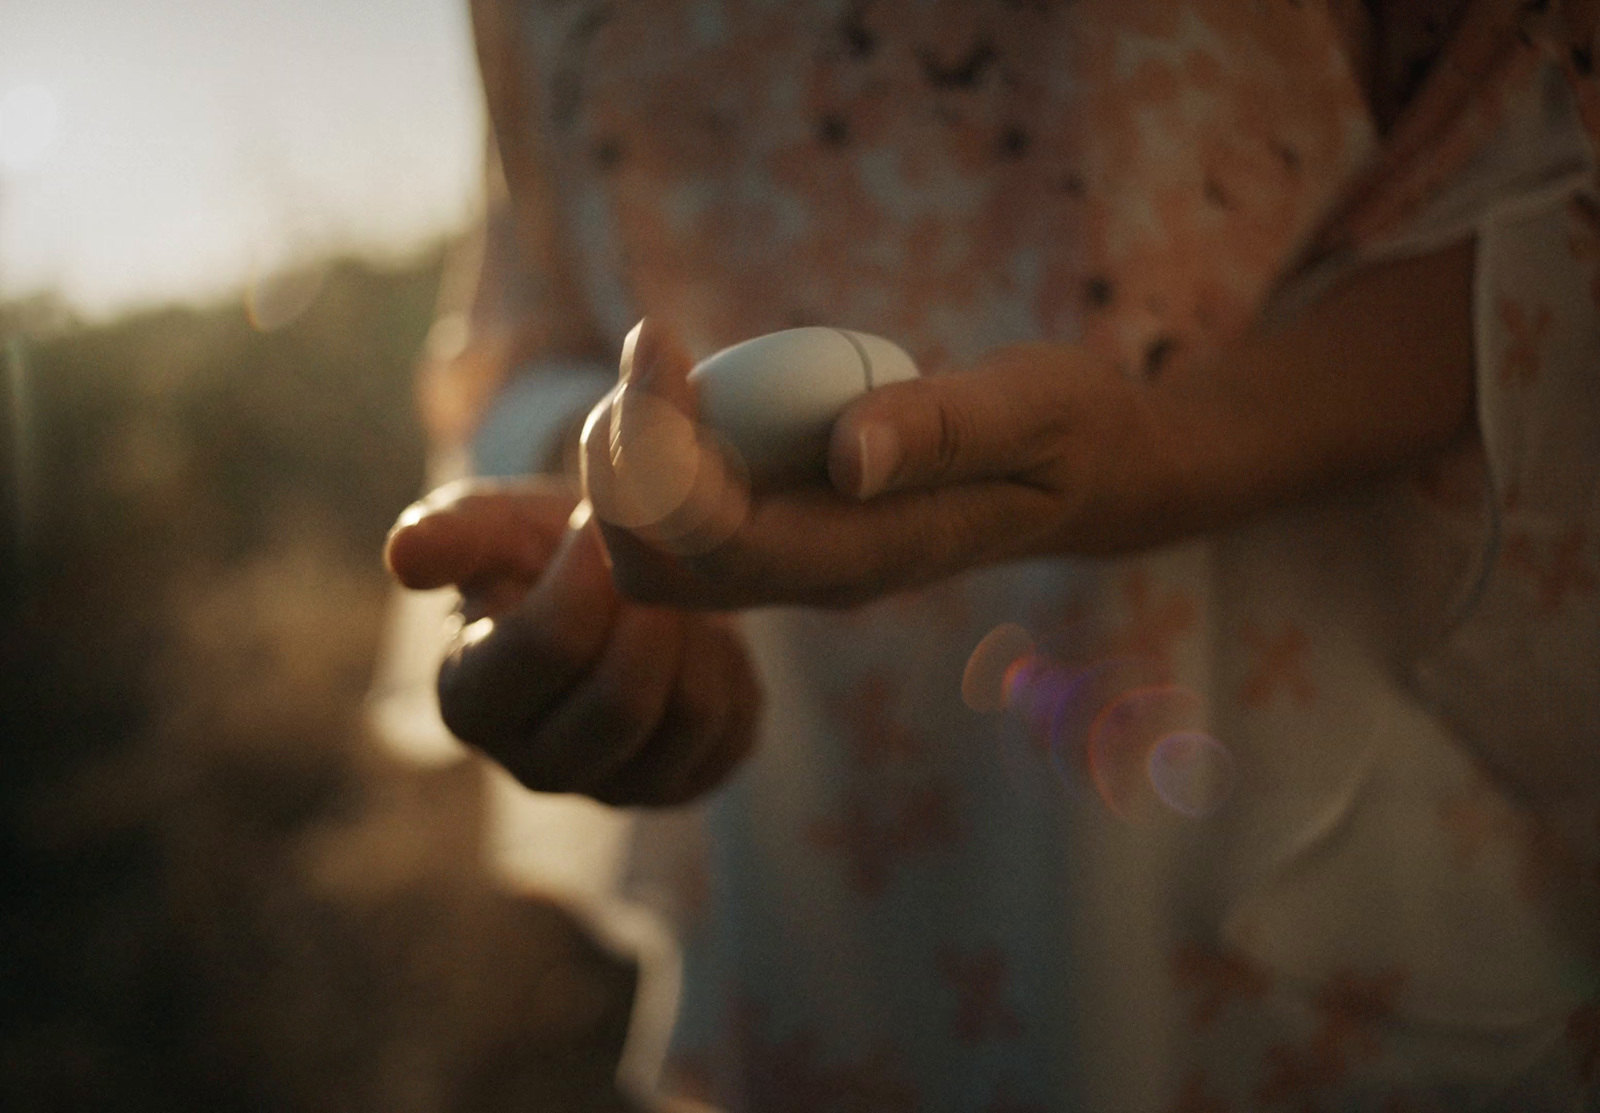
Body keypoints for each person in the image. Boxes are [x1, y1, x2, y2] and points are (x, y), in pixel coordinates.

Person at [382, 1, 1600, 1108]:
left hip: (1259, 807)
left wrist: (1157, 447)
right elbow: (530, 325)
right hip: (811, 864)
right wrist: (593, 534)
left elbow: (1548, 186)